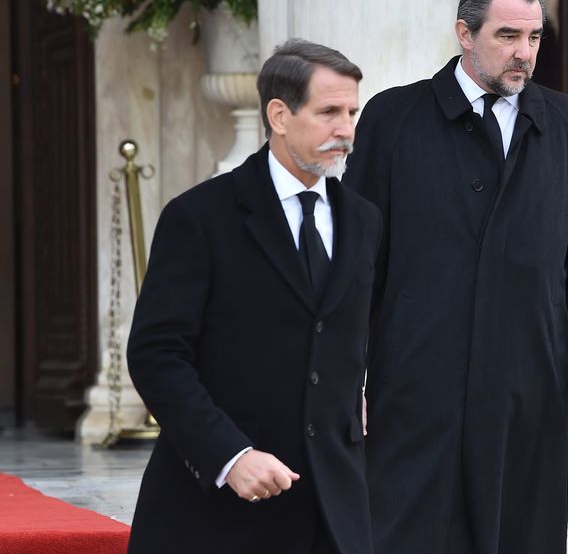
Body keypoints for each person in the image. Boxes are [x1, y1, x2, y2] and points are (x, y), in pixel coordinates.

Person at [343, 0, 568, 554]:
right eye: (507, 36)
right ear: (464, 32)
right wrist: (348, 373)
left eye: (533, 38)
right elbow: (357, 264)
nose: (523, 53)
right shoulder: (393, 119)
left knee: (520, 536)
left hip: (528, 385)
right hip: (414, 384)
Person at [126, 39, 381, 554]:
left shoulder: (363, 219)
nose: (347, 129)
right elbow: (156, 355)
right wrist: (230, 456)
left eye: (353, 112)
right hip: (217, 514)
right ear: (279, 115)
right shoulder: (198, 217)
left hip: (334, 513)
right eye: (329, 111)